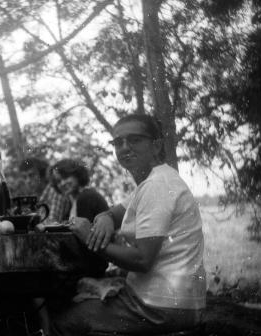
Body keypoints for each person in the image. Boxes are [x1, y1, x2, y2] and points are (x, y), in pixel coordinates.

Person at [52, 114, 206, 335]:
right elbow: (116, 211)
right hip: (174, 300)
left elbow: (143, 260)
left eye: (134, 140)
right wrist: (105, 217)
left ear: (157, 145)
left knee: (64, 320)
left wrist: (89, 239)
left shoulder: (157, 185)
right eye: (118, 142)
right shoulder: (153, 180)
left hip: (160, 305)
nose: (124, 148)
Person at [51, 158, 109, 223]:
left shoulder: (87, 197)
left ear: (77, 175)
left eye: (65, 177)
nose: (62, 183)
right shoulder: (72, 201)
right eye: (58, 181)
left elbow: (84, 230)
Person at [19, 157, 70, 223]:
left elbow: (52, 224)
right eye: (24, 177)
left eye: (31, 175)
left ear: (42, 175)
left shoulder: (54, 191)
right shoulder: (37, 196)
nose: (28, 181)